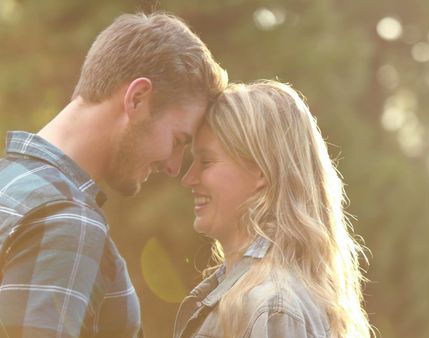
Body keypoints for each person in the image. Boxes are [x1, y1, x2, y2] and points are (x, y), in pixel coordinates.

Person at [0, 12, 227, 337]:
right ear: (137, 99)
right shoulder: (67, 220)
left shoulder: (9, 182)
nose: (174, 166)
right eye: (178, 141)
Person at [175, 80, 372, 338]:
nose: (188, 178)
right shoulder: (250, 298)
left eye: (207, 161)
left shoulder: (273, 308)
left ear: (260, 170)